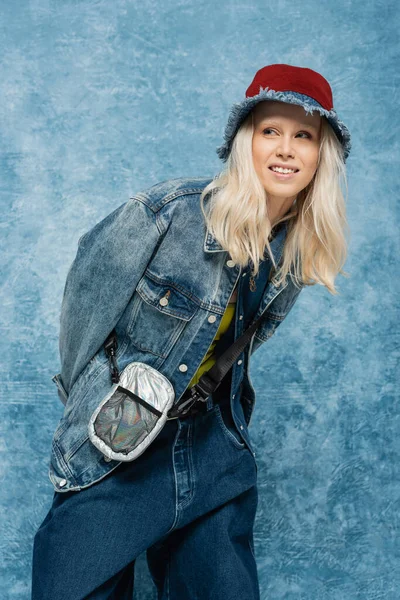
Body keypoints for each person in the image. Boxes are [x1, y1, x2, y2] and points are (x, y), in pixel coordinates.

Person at [31, 63, 351, 600]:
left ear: (322, 156)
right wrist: (90, 407)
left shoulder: (295, 252)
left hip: (212, 449)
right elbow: (84, 310)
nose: (286, 149)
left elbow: (242, 346)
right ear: (243, 142)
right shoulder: (168, 213)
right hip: (121, 440)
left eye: (304, 136)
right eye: (270, 131)